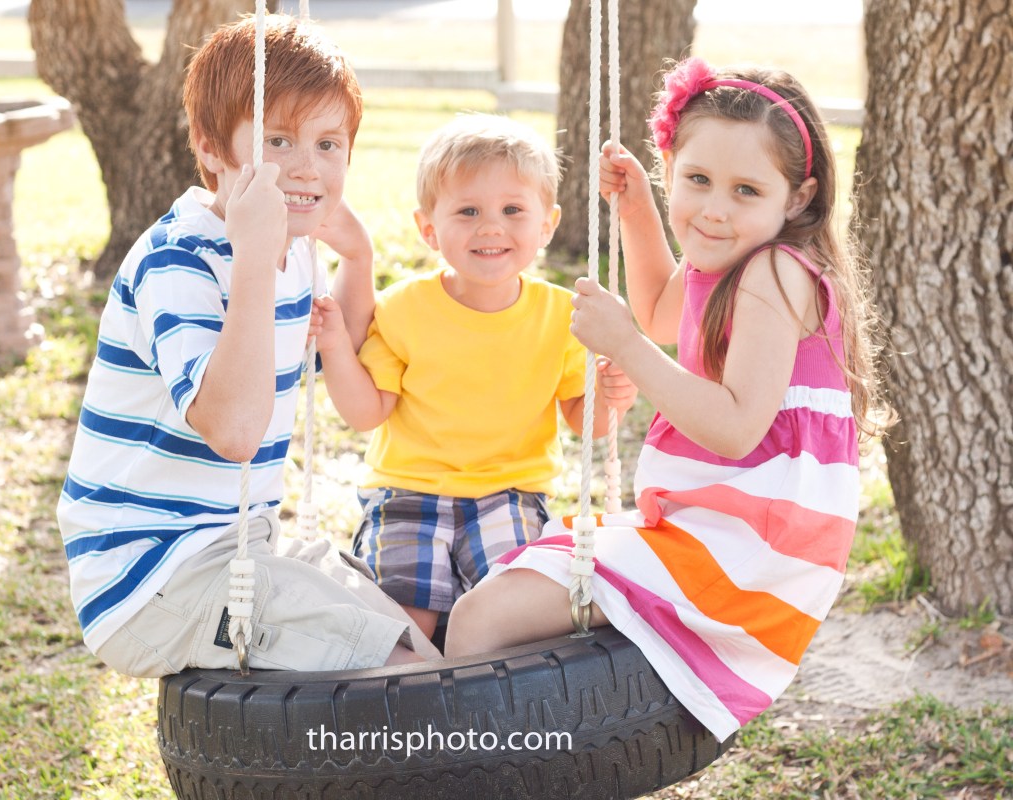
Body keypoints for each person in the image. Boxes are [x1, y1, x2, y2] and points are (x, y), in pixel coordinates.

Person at [444, 58, 890, 741]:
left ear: (798, 197)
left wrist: (624, 347)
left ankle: (490, 762)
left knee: (481, 621)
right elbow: (658, 311)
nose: (713, 209)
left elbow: (737, 427)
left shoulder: (774, 270)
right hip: (718, 529)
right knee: (492, 607)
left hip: (746, 549)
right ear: (670, 167)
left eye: (745, 190)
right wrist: (638, 213)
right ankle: (503, 753)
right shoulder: (732, 256)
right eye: (697, 180)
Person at [57, 14, 437, 678]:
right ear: (211, 149)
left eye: (329, 144)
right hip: (149, 577)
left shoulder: (292, 251)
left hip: (242, 551)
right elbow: (234, 429)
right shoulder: (178, 262)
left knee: (419, 646)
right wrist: (255, 260)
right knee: (404, 675)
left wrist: (359, 258)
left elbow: (334, 348)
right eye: (278, 141)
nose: (306, 166)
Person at [311, 113, 637, 641]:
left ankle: (485, 701)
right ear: (428, 229)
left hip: (508, 495)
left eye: (513, 210)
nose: (491, 227)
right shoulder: (402, 309)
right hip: (407, 493)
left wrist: (615, 391)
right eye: (468, 211)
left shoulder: (564, 316)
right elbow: (366, 413)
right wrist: (333, 348)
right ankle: (414, 698)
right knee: (406, 626)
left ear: (546, 224)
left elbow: (587, 423)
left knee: (504, 616)